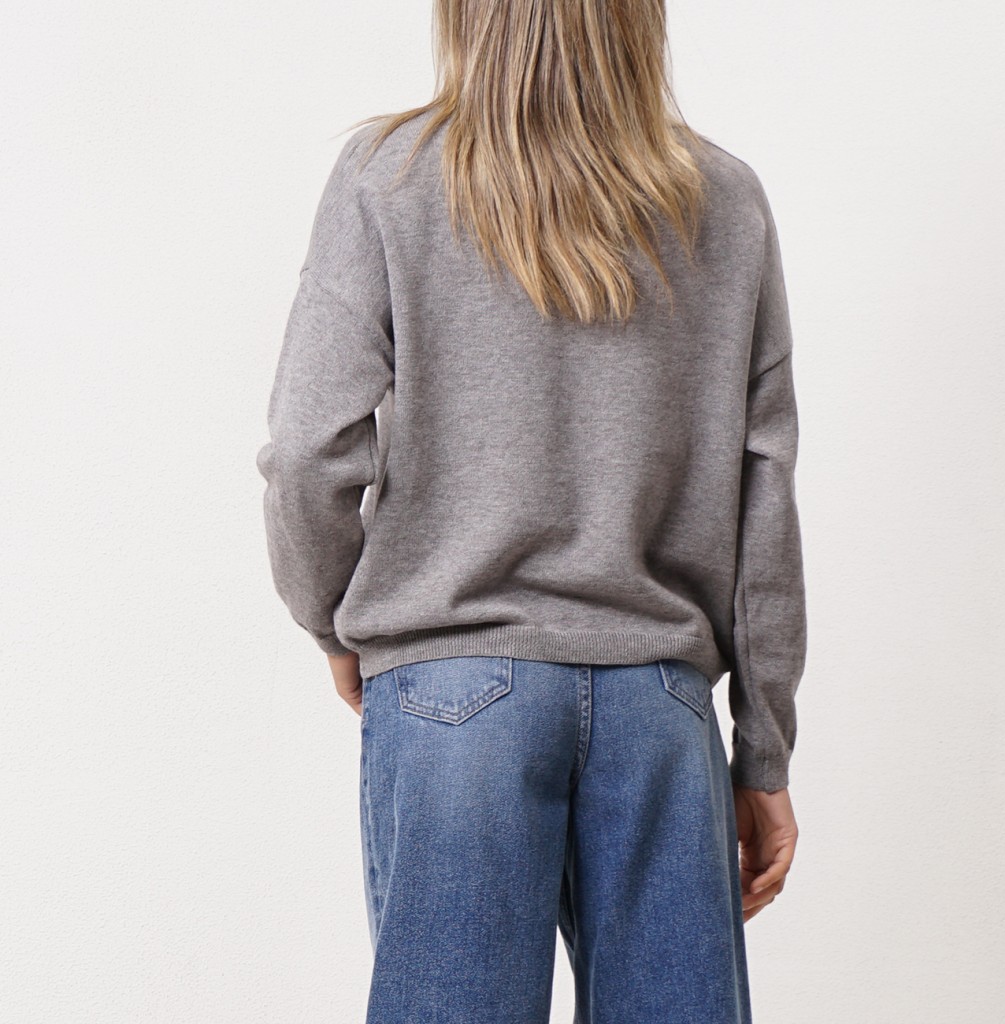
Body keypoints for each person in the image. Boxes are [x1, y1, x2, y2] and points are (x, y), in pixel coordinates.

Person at [256, 2, 808, 1021]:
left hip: (453, 693)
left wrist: (333, 617)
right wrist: (763, 745)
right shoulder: (724, 199)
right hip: (660, 702)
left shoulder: (391, 175)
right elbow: (762, 495)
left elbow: (306, 449)